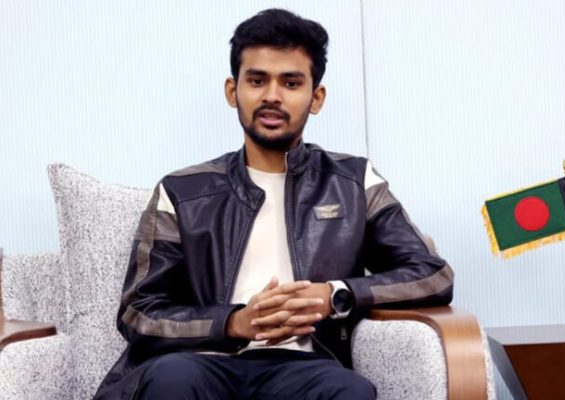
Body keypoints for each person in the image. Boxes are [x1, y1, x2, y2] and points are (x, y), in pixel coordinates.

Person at [95, 8, 453, 400]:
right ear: (232, 91)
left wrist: (334, 295)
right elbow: (138, 312)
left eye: (291, 82)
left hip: (305, 367)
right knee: (173, 380)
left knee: (350, 391)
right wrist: (234, 322)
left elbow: (432, 275)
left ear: (316, 98)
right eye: (257, 80)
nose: (271, 96)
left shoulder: (354, 182)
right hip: (198, 361)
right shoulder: (182, 191)